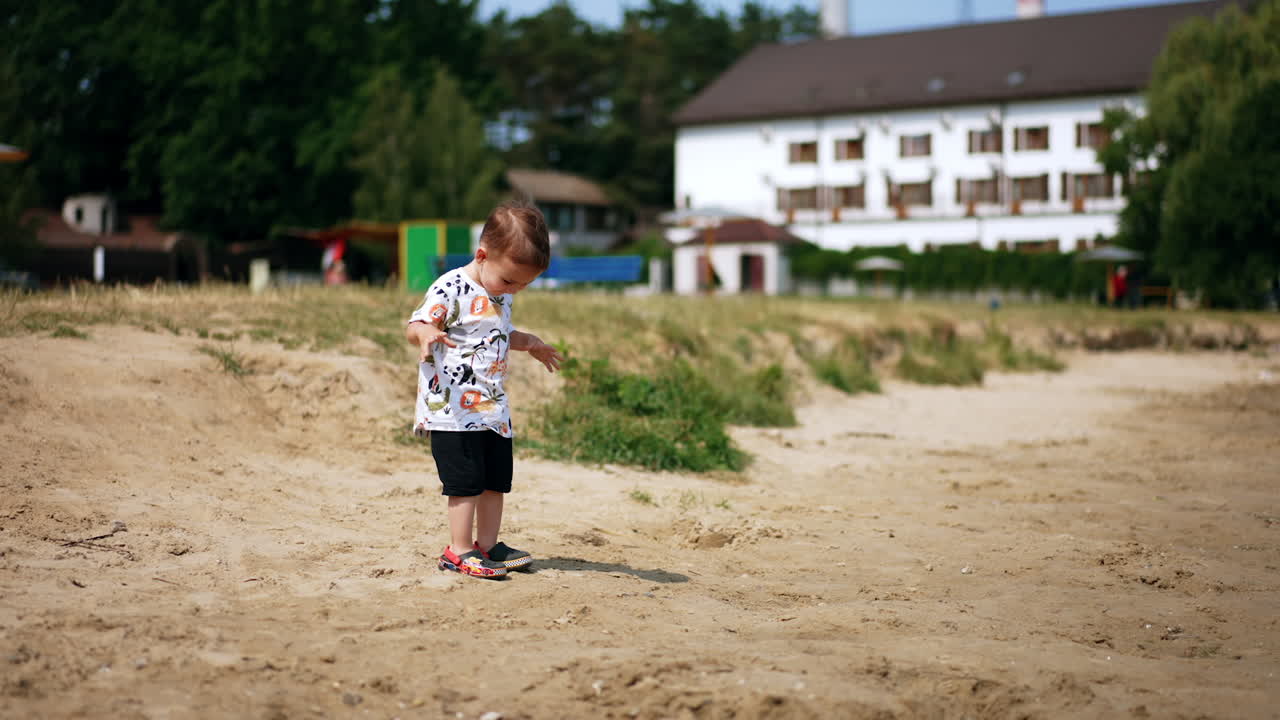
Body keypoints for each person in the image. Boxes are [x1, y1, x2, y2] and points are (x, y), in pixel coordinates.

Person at [404, 202, 563, 579]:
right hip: (453, 411)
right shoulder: (451, 286)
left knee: (495, 480)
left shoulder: (500, 293)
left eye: (524, 285)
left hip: (492, 410)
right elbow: (417, 323)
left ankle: (488, 546)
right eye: (511, 281)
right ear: (482, 255)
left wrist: (531, 342)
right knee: (465, 483)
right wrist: (427, 333)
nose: (515, 291)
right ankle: (458, 550)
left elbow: (499, 334)